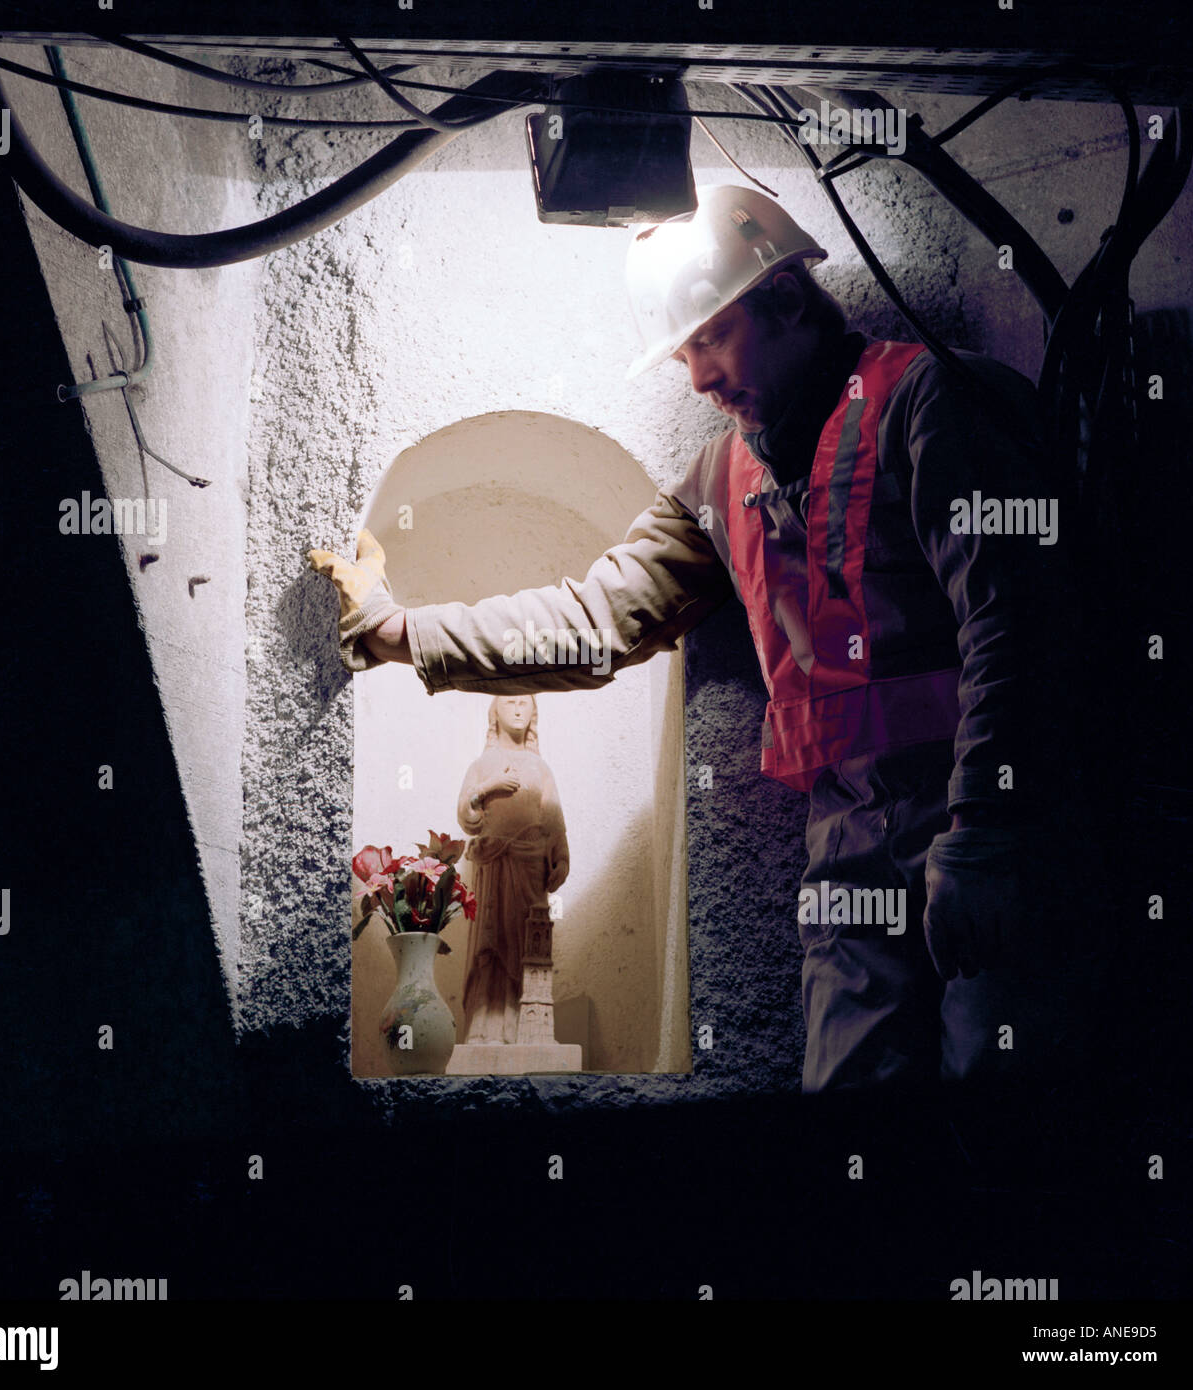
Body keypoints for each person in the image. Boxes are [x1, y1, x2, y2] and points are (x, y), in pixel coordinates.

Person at [308, 183, 1077, 1093]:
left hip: (987, 818)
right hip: (847, 837)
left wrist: (991, 823)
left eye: (712, 337)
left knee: (1007, 1109)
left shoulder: (929, 401)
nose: (701, 378)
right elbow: (594, 618)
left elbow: (1017, 618)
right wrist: (398, 629)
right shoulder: (729, 473)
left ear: (790, 298)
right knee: (852, 1121)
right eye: (684, 353)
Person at [454, 694, 569, 1045]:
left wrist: (561, 856)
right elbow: (466, 816)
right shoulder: (482, 765)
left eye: (524, 702)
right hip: (493, 865)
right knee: (490, 942)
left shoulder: (541, 768)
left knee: (526, 947)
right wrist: (489, 787)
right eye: (509, 702)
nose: (517, 708)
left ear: (534, 712)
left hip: (530, 866)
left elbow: (553, 821)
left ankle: (524, 1030)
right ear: (495, 713)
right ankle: (482, 1028)